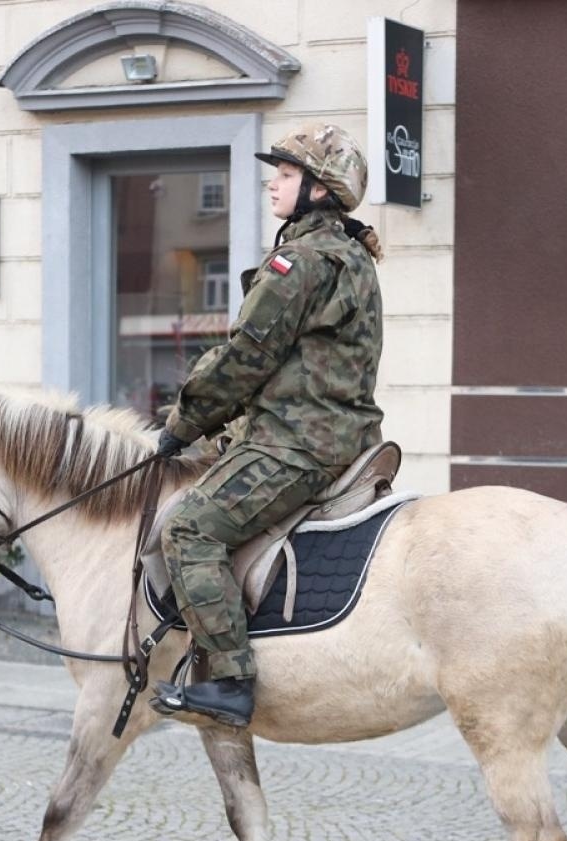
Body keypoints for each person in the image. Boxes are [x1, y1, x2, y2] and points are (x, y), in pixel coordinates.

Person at [152, 124, 385, 728]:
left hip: (296, 443)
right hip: (339, 435)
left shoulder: (300, 262)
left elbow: (244, 357)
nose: (273, 183)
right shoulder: (351, 256)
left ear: (318, 190)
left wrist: (183, 422)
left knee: (189, 531)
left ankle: (229, 681)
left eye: (285, 174)